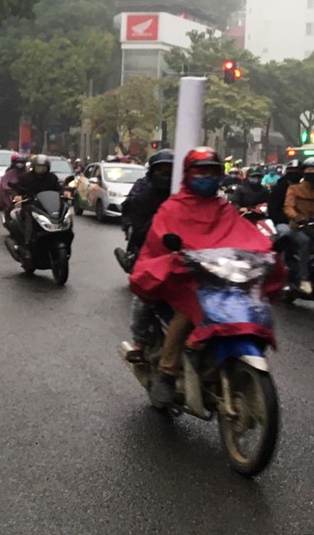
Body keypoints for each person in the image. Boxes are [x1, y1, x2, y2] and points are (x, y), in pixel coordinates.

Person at [129, 147, 285, 407]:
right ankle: (167, 371)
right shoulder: (172, 207)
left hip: (219, 277)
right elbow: (159, 239)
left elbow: (244, 235)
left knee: (252, 302)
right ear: (189, 174)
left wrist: (267, 249)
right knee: (188, 311)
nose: (207, 177)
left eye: (213, 172)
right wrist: (176, 252)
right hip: (187, 279)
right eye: (201, 172)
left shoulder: (225, 208)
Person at [114, 150, 174, 362]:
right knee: (145, 296)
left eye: (170, 170)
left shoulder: (183, 193)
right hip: (148, 247)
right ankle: (139, 341)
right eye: (161, 170)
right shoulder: (142, 192)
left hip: (181, 252)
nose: (165, 174)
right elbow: (131, 216)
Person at [283, 158, 314, 294]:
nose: (312, 173)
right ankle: (304, 279)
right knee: (305, 242)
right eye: (309, 171)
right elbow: (288, 207)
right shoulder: (294, 189)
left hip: (312, 226)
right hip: (298, 227)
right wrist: (298, 218)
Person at [0, 153, 29, 222]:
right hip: (12, 195)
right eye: (18, 162)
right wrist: (10, 189)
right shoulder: (9, 173)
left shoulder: (28, 173)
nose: (20, 164)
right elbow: (4, 184)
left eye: (21, 162)